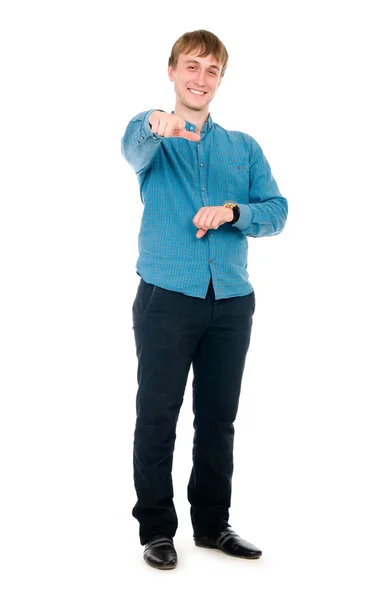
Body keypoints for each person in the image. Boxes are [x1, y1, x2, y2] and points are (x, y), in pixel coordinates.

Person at [121, 29, 288, 570]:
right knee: (157, 415)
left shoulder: (242, 148)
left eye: (211, 70)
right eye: (191, 66)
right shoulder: (152, 138)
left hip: (231, 301)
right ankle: (156, 530)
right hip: (166, 299)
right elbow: (132, 148)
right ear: (172, 71)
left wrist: (235, 212)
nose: (200, 78)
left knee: (218, 418)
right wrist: (156, 122)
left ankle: (214, 525)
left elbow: (277, 210)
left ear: (220, 80)